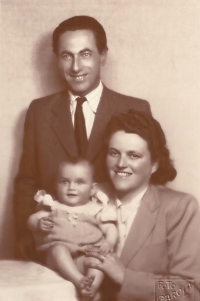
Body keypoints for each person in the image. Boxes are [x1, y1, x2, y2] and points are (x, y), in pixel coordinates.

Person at [14, 15, 151, 261]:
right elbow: (26, 181)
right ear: (57, 60)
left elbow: (149, 188)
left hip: (118, 248)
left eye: (85, 54)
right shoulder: (39, 111)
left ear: (103, 56)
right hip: (54, 250)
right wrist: (26, 238)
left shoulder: (135, 109)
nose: (76, 67)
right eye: (67, 56)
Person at [85, 110, 200, 301]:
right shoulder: (90, 196)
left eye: (134, 155)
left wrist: (125, 278)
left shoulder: (180, 207)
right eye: (114, 153)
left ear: (154, 164)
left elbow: (191, 290)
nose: (121, 163)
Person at [27, 158, 118, 301]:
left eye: (79, 182)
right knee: (58, 249)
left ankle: (91, 288)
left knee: (99, 259)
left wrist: (109, 242)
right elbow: (32, 219)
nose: (71, 187)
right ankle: (79, 281)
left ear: (92, 189)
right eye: (65, 182)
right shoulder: (53, 206)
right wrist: (39, 223)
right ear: (56, 186)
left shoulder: (96, 209)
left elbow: (110, 228)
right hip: (59, 260)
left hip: (85, 256)